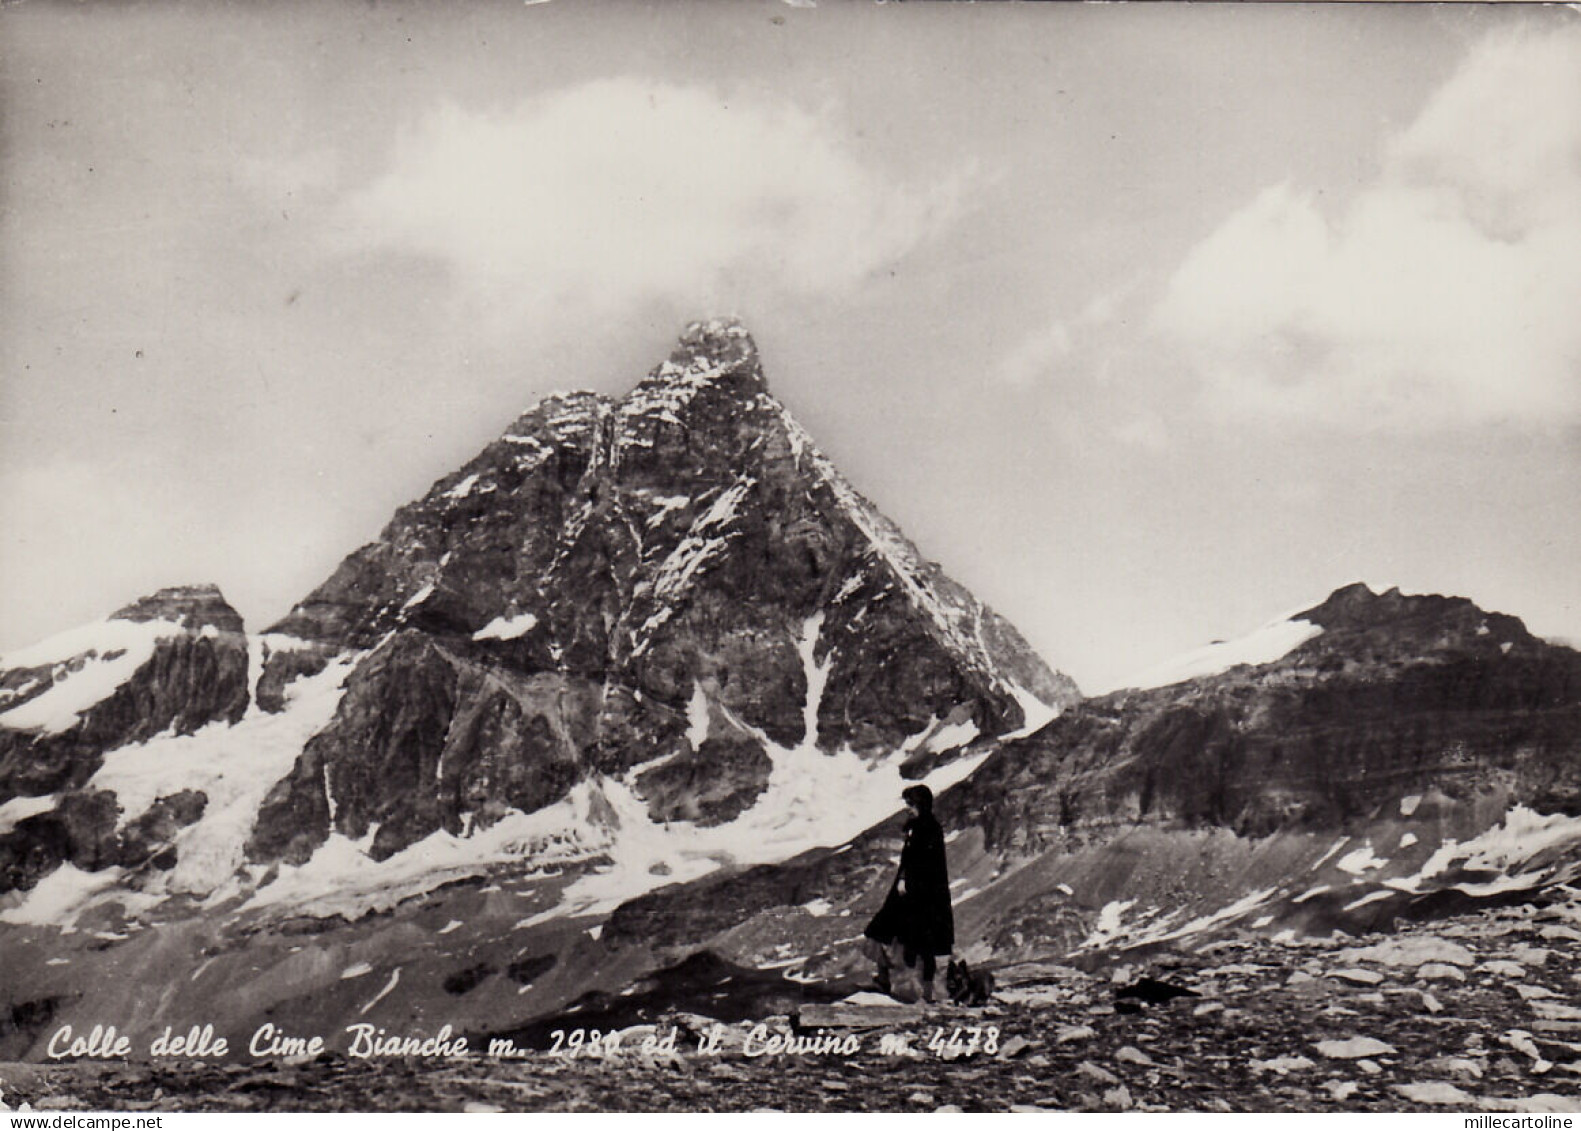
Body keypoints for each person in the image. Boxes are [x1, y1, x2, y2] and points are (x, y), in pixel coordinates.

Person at [863, 783, 954, 1003]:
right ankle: (887, 980)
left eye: (911, 804)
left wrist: (908, 882)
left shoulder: (929, 828)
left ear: (921, 804)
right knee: (883, 930)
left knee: (924, 944)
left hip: (924, 895)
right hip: (909, 892)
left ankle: (925, 993)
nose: (908, 808)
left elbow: (927, 864)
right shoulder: (916, 827)